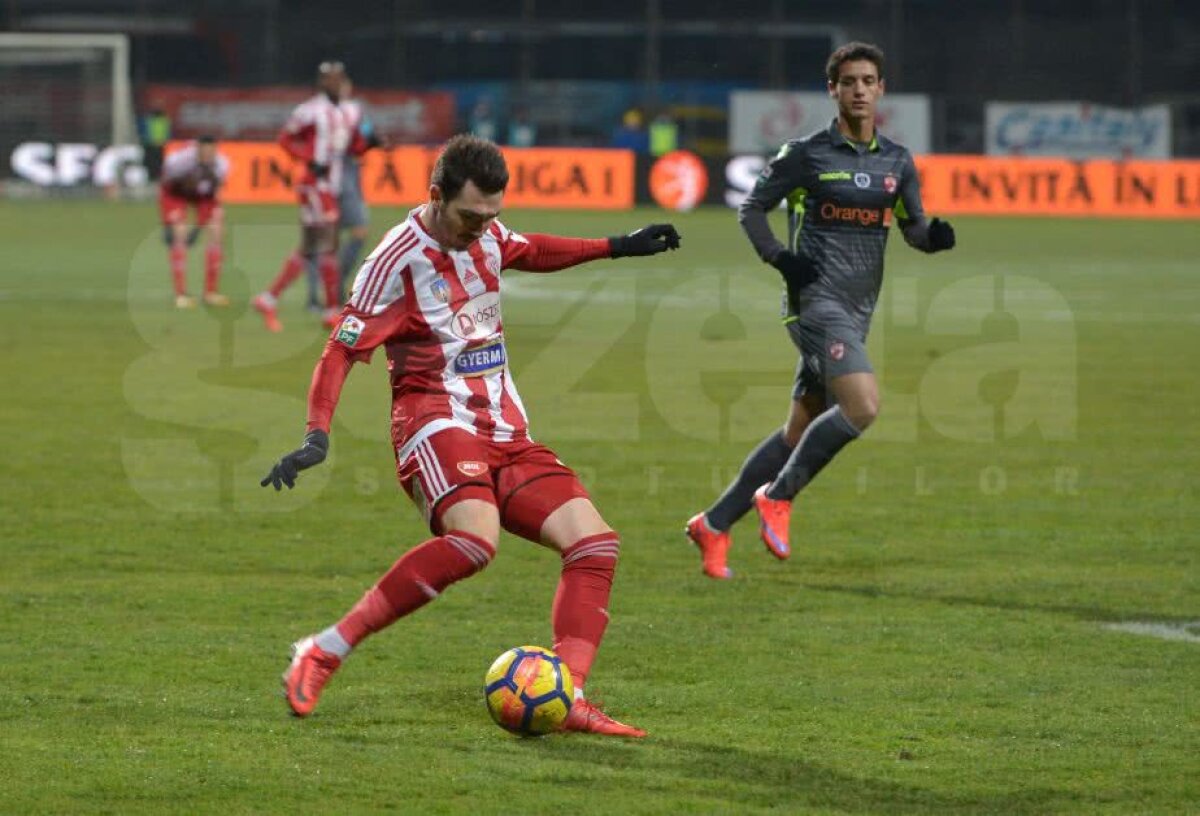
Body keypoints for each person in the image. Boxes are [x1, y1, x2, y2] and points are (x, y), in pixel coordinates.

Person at [260, 135, 681, 737]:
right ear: (435, 196)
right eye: (469, 217)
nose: (481, 230)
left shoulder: (486, 236)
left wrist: (617, 246)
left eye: (492, 217)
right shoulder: (394, 261)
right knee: (476, 542)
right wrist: (316, 435)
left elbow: (530, 249)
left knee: (595, 544)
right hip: (432, 420)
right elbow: (340, 351)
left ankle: (567, 696)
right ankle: (323, 649)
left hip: (504, 426)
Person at [685, 42, 957, 579]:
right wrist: (781, 259)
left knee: (797, 431)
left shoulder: (897, 162)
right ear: (832, 89)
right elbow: (753, 209)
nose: (859, 90)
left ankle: (713, 524)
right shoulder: (806, 154)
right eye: (849, 81)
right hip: (812, 303)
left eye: (868, 80)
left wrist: (935, 238)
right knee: (863, 406)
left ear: (881, 89)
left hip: (858, 308)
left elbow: (913, 228)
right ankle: (778, 497)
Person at [252, 61, 378, 332]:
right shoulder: (309, 111)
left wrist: (371, 144)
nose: (334, 83)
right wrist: (308, 159)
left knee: (312, 246)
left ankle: (269, 298)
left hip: (332, 185)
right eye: (329, 79)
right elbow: (286, 139)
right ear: (321, 83)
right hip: (314, 184)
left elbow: (355, 146)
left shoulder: (351, 110)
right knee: (326, 243)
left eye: (338, 78)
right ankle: (331, 311)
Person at [305, 78, 379, 311]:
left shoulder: (355, 112)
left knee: (358, 232)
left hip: (349, 178)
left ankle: (336, 284)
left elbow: (363, 139)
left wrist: (370, 142)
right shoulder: (317, 113)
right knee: (322, 237)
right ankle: (314, 296)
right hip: (326, 180)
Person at [157, 135, 230, 308]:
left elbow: (214, 192)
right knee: (180, 233)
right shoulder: (177, 162)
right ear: (197, 150)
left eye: (210, 152)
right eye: (203, 152)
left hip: (203, 195)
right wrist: (171, 221)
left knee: (217, 229)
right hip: (176, 193)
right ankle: (180, 294)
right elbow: (166, 186)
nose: (207, 156)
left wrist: (199, 227)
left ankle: (210, 293)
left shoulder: (222, 164)